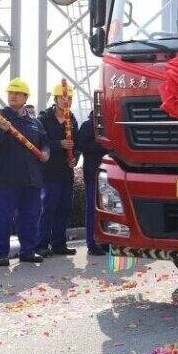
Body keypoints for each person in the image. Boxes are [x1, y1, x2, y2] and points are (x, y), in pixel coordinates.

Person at [0, 78, 49, 267]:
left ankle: (28, 251)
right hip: (5, 179)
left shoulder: (34, 122)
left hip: (31, 179)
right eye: (10, 93)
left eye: (17, 93)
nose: (12, 96)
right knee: (2, 218)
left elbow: (44, 142)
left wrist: (45, 152)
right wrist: (1, 131)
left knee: (30, 216)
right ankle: (1, 254)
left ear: (25, 97)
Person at [36, 85, 81, 257]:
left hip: (66, 172)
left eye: (69, 98)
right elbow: (41, 142)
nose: (66, 101)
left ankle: (59, 243)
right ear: (55, 99)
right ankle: (41, 244)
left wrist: (75, 156)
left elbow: (77, 144)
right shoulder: (44, 119)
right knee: (48, 207)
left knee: (64, 207)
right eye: (63, 98)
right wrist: (59, 144)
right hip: (49, 172)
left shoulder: (72, 118)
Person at [78, 110, 107, 256]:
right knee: (93, 210)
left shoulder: (110, 124)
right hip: (93, 174)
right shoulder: (88, 125)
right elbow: (82, 146)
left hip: (109, 175)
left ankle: (106, 241)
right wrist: (104, 145)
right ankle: (92, 243)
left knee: (108, 210)